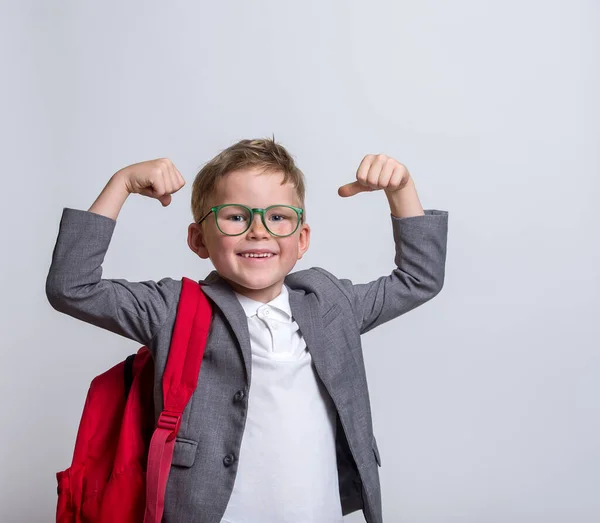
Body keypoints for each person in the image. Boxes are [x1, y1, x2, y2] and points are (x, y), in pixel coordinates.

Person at [46, 137, 448, 523]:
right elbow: (72, 288)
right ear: (198, 239)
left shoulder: (330, 303)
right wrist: (121, 185)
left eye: (278, 217)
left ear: (302, 238)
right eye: (236, 216)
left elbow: (419, 279)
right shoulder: (174, 308)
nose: (259, 230)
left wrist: (402, 190)